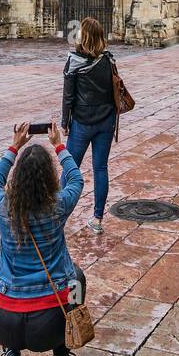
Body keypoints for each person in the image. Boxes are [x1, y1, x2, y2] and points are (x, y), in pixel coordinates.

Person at [0, 120, 85, 356]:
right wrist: (59, 146)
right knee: (76, 277)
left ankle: (11, 355)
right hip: (49, 325)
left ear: (17, 179)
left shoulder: (3, 207)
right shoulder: (58, 206)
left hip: (0, 321)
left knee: (7, 283)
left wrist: (14, 147)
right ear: (49, 178)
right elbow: (76, 179)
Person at [61, 16, 117, 235]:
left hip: (82, 123)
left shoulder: (74, 60)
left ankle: (57, 216)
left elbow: (68, 97)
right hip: (106, 122)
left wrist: (65, 123)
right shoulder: (109, 60)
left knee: (69, 167)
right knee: (100, 168)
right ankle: (97, 219)